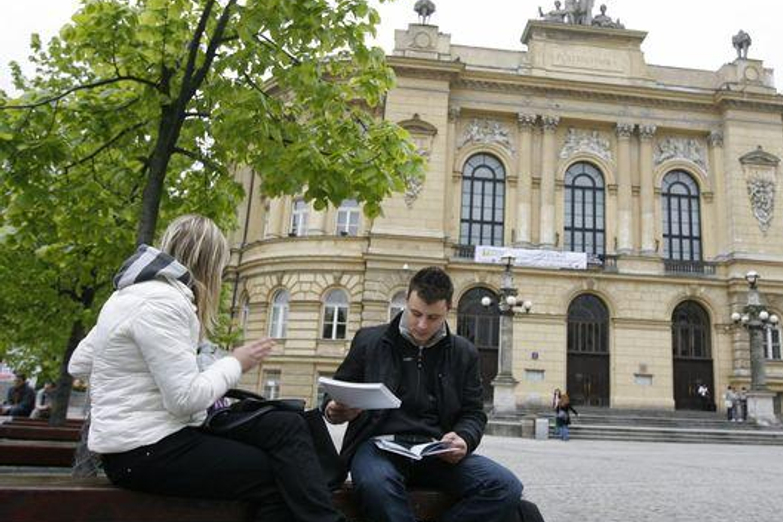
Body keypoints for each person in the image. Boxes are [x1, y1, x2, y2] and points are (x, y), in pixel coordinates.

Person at [68, 214, 344, 522]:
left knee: (285, 434)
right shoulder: (164, 304)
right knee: (281, 476)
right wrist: (235, 362)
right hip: (147, 452)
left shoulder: (126, 296)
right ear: (209, 265)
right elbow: (184, 399)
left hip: (139, 446)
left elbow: (79, 363)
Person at [325, 266, 523, 522]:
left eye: (433, 318)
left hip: (435, 451)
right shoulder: (369, 341)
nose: (421, 325)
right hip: (377, 447)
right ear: (406, 301)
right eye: (415, 313)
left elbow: (473, 413)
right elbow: (334, 397)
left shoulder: (464, 353)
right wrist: (334, 409)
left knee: (506, 486)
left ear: (447, 310)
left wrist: (464, 438)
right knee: (377, 485)